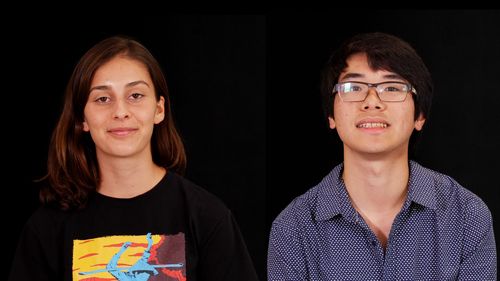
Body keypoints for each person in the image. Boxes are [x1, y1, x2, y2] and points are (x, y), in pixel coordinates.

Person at [9, 36, 258, 281]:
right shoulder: (46, 230)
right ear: (81, 118)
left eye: (135, 96)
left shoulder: (207, 217)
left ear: (159, 109)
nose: (120, 112)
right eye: (102, 99)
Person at [268, 32, 497, 280]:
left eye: (392, 87)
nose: (372, 102)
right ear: (331, 116)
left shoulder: (467, 215)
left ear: (419, 116)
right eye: (353, 87)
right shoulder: (293, 228)